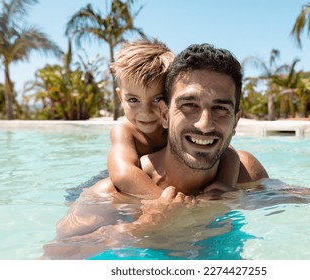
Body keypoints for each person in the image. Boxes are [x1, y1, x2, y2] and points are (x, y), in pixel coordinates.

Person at [43, 43, 270, 259]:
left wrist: (223, 192)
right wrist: (144, 226)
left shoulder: (244, 171)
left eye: (220, 108)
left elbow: (233, 157)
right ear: (166, 114)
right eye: (189, 105)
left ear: (236, 121)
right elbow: (52, 257)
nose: (204, 124)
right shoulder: (110, 194)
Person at [107, 37, 241, 200]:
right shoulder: (125, 132)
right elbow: (123, 174)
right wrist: (162, 202)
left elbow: (231, 155)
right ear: (121, 97)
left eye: (156, 99)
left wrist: (224, 187)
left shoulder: (178, 127)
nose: (145, 112)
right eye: (133, 100)